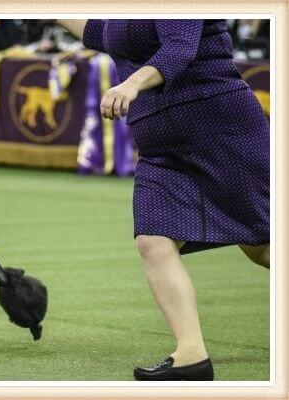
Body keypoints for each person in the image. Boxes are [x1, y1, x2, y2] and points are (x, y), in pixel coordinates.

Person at [56, 19, 270, 381]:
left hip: (219, 126)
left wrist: (131, 83)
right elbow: (98, 33)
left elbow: (178, 49)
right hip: (160, 146)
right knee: (153, 241)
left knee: (261, 245)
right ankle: (191, 356)